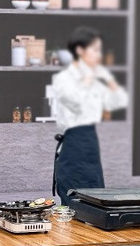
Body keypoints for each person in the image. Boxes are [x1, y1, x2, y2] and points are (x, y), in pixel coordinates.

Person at [50, 26, 129, 202]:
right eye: (95, 49)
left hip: (91, 147)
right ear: (80, 50)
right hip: (72, 146)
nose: (99, 55)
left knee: (95, 202)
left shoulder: (94, 81)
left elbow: (119, 101)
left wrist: (108, 77)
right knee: (72, 202)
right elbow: (76, 101)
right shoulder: (63, 79)